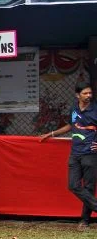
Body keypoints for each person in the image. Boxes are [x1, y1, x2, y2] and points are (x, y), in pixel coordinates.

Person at [40, 84, 97, 230]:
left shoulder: (95, 109)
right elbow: (70, 126)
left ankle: (84, 221)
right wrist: (51, 134)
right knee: (73, 185)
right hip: (75, 153)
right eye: (85, 93)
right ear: (78, 95)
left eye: (90, 93)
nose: (89, 95)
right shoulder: (74, 108)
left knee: (89, 188)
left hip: (90, 153)